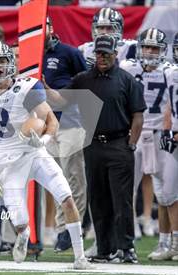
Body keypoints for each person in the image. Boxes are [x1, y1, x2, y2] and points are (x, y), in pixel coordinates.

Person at [0, 42, 91, 269]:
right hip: (8, 161)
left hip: (34, 152)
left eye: (3, 61)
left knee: (66, 196)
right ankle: (23, 234)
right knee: (20, 221)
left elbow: (51, 121)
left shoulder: (26, 87)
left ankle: (80, 258)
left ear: (11, 63)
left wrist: (42, 140)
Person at [68, 35, 145, 263]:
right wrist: (42, 84)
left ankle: (126, 248)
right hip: (92, 144)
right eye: (98, 53)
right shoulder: (83, 79)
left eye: (106, 54)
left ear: (115, 54)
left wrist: (131, 143)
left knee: (122, 200)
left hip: (119, 143)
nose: (101, 57)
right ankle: (104, 249)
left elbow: (138, 116)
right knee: (98, 199)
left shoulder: (126, 80)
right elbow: (60, 99)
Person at [120, 28, 171, 259]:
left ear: (163, 50)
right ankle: (125, 239)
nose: (150, 52)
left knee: (166, 192)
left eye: (155, 48)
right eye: (146, 47)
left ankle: (167, 241)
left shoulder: (170, 72)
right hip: (135, 133)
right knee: (125, 188)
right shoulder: (128, 68)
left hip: (161, 134)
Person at [42, 16, 88, 251]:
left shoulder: (69, 53)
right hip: (45, 125)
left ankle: (76, 229)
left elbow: (86, 81)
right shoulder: (32, 57)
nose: (44, 30)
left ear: (52, 27)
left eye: (46, 25)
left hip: (70, 122)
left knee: (74, 179)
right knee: (55, 180)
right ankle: (62, 229)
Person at [153, 32, 178, 261]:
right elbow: (169, 104)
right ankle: (173, 244)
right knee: (167, 193)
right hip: (172, 137)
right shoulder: (171, 73)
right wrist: (168, 130)